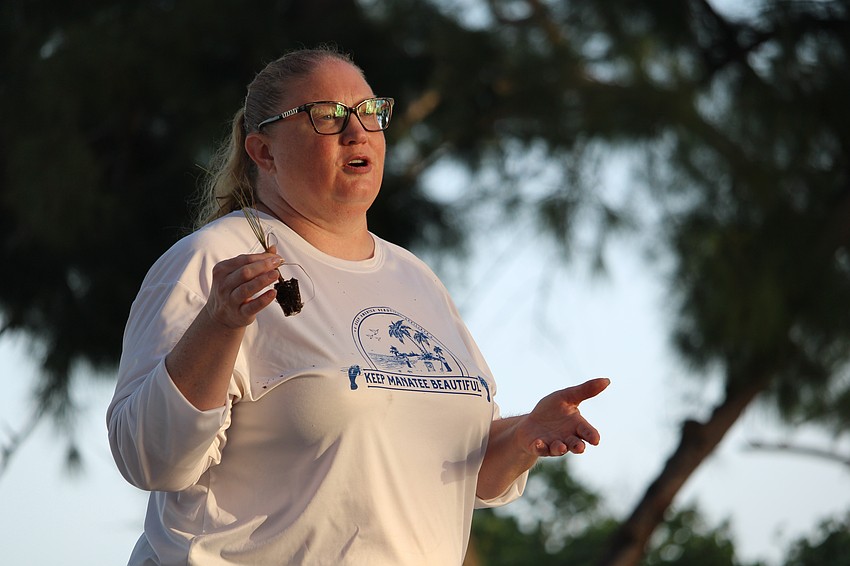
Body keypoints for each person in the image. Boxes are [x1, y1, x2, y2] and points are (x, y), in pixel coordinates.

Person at [107, 46, 610, 566]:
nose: (358, 131)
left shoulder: (415, 279)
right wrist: (219, 324)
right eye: (327, 117)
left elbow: (458, 468)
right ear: (263, 152)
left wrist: (522, 436)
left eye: (370, 112)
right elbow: (151, 459)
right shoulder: (213, 260)